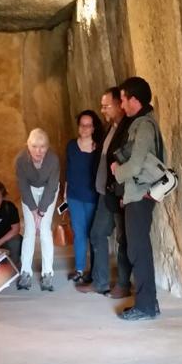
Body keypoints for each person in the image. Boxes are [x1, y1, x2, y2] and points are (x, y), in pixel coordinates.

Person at [110, 76, 162, 320]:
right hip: (136, 195)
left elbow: (135, 165)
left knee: (138, 251)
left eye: (123, 99)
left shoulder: (144, 126)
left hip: (141, 195)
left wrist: (116, 172)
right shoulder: (140, 123)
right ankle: (149, 302)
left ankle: (145, 306)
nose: (122, 105)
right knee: (137, 249)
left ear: (134, 100)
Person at [77, 86, 134, 297]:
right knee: (98, 234)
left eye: (106, 106)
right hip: (105, 193)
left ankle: (122, 284)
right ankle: (100, 281)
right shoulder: (112, 127)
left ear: (120, 104)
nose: (103, 111)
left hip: (118, 193)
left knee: (122, 239)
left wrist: (121, 193)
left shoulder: (127, 129)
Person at [15, 128, 60, 292]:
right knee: (30, 230)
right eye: (34, 146)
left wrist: (41, 213)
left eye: (42, 147)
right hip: (30, 191)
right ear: (28, 146)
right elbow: (23, 187)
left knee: (45, 230)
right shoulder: (20, 160)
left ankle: (48, 273)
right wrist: (33, 211)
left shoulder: (53, 160)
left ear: (47, 147)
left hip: (48, 191)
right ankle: (25, 272)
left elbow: (52, 187)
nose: (38, 151)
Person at [64, 110, 101, 284]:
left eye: (88, 125)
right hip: (74, 196)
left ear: (93, 128)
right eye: (82, 124)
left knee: (93, 234)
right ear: (78, 127)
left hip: (93, 196)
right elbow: (68, 171)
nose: (85, 128)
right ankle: (79, 269)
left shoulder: (98, 147)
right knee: (79, 233)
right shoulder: (71, 146)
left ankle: (94, 271)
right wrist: (65, 193)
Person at [0, 180, 23, 267]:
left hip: (4, 239)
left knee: (16, 240)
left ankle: (13, 267)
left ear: (3, 197)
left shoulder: (9, 207)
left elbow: (16, 229)